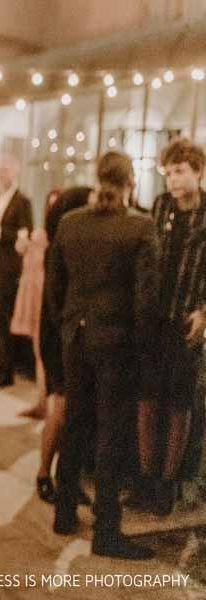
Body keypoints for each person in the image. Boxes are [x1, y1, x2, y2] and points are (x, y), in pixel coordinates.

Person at [48, 151, 159, 560]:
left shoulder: (70, 223)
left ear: (97, 178)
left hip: (74, 338)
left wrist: (68, 323)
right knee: (111, 434)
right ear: (130, 182)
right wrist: (144, 351)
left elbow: (54, 289)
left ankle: (63, 514)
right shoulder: (140, 228)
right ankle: (107, 531)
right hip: (116, 343)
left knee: (76, 422)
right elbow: (145, 302)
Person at [130, 138, 206, 515]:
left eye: (179, 172)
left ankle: (166, 483)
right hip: (153, 320)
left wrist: (204, 312)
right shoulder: (160, 207)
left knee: (178, 405)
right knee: (146, 400)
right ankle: (145, 479)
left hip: (186, 322)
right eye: (168, 173)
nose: (172, 180)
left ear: (198, 171)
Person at [33, 186, 93, 504]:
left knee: (70, 409)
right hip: (58, 336)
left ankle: (65, 476)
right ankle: (44, 473)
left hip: (63, 333)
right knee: (62, 406)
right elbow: (57, 304)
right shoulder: (61, 247)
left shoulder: (69, 242)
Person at [0, 155, 33, 387]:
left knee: (4, 317)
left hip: (8, 266)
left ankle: (7, 371)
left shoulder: (23, 202)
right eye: (0, 170)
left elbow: (24, 235)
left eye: (7, 170)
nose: (3, 174)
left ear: (16, 173)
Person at [12, 189, 58, 419]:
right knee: (38, 350)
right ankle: (41, 401)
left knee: (46, 352)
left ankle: (48, 405)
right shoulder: (39, 234)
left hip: (48, 300)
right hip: (34, 299)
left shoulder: (57, 237)